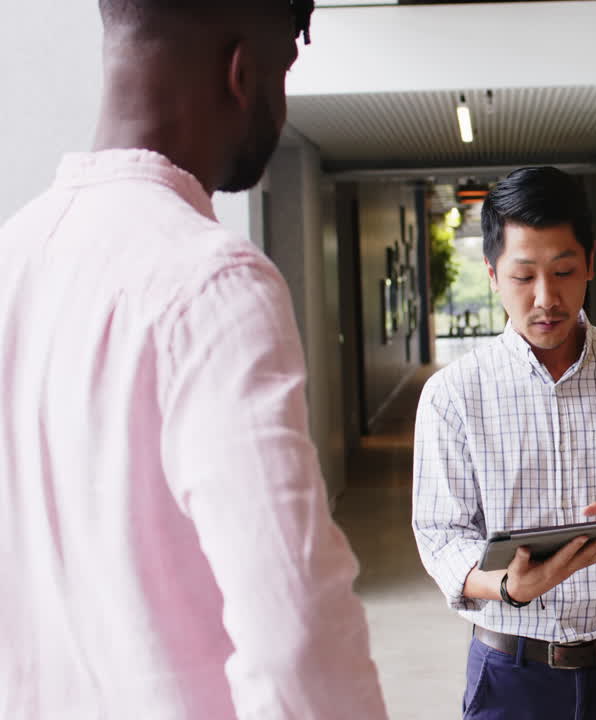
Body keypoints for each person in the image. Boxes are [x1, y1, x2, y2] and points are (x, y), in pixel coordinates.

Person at [0, 2, 388, 718]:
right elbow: (296, 638)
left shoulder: (13, 257)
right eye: (284, 69)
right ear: (242, 72)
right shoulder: (213, 282)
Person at [412, 166, 596, 719]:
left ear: (590, 264)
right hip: (510, 677)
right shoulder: (453, 394)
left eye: (565, 272)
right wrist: (510, 586)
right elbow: (440, 536)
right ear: (492, 274)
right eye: (523, 277)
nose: (546, 298)